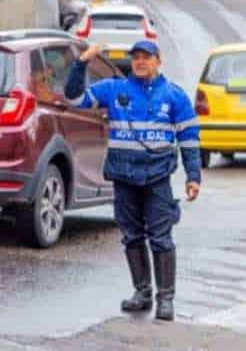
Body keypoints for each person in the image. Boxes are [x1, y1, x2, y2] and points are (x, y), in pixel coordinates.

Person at [64, 41, 201, 322]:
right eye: (136, 58)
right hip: (124, 177)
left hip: (157, 178)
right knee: (132, 237)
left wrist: (193, 176)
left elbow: (189, 139)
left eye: (146, 57)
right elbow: (74, 98)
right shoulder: (114, 90)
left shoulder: (174, 96)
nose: (140, 62)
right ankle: (142, 293)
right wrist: (82, 62)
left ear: (158, 61)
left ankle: (166, 299)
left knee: (161, 238)